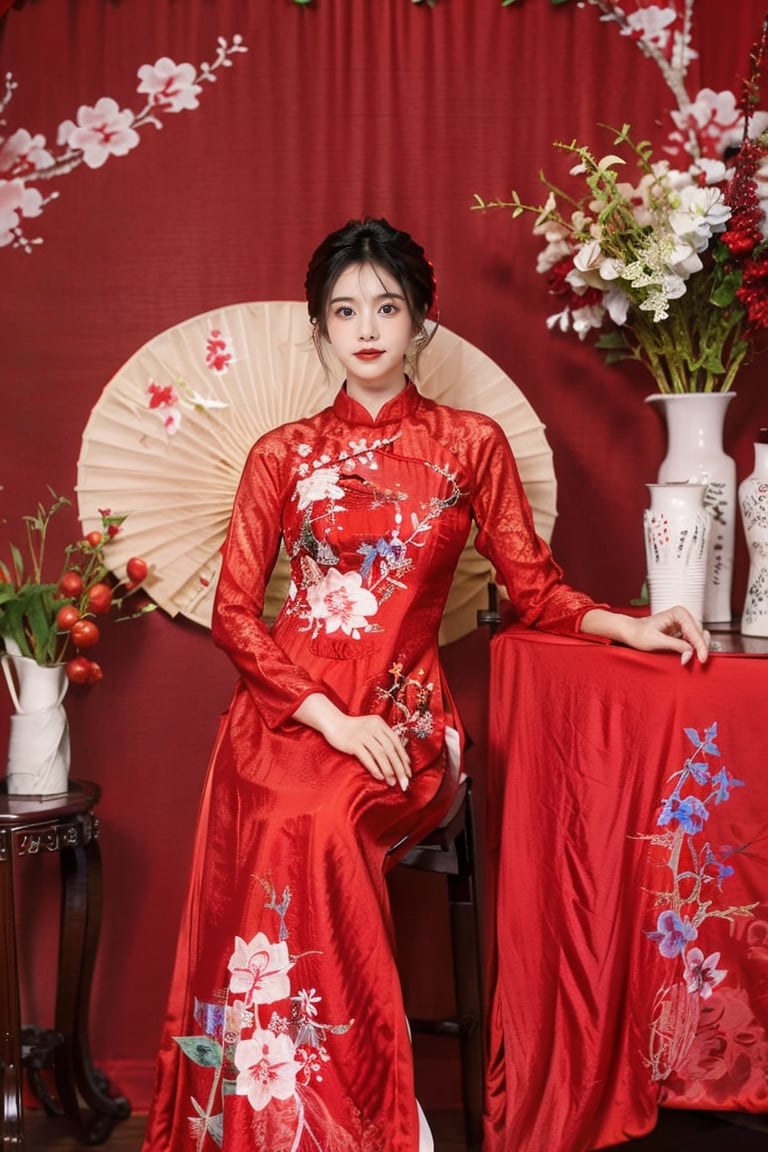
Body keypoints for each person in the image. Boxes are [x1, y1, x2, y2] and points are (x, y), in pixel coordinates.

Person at [140, 217, 709, 1152]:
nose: (367, 327)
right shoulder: (280, 456)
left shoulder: (469, 444)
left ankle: (350, 1111)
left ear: (421, 324)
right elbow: (237, 613)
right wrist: (323, 716)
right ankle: (270, 1116)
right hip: (288, 713)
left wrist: (633, 624)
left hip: (403, 715)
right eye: (345, 310)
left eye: (388, 307)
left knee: (319, 824)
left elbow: (536, 588)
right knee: (290, 813)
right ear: (319, 332)